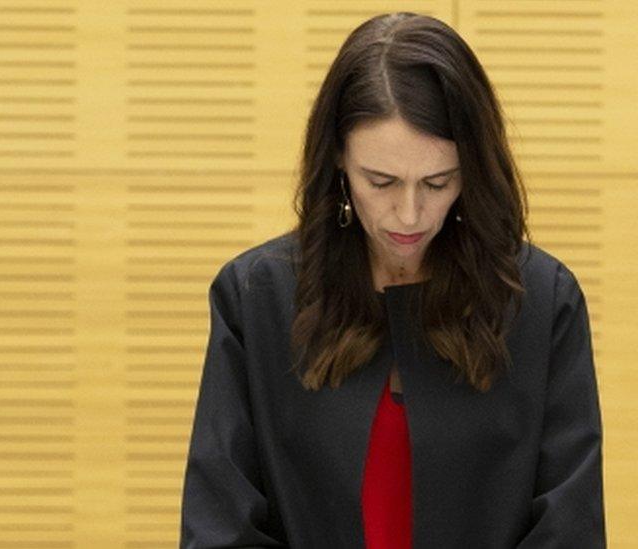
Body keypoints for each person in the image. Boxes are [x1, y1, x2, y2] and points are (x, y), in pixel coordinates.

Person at [179, 11, 605, 549]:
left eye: (438, 181)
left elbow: (568, 529)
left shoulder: (542, 301)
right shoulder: (257, 298)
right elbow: (221, 525)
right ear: (338, 159)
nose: (409, 215)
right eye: (381, 182)